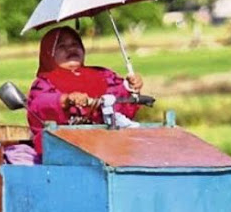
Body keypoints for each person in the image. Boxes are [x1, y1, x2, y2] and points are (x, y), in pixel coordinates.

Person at [27, 26, 144, 156]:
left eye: (75, 44)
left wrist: (130, 87)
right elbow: (38, 105)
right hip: (64, 148)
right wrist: (65, 100)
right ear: (49, 53)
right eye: (62, 46)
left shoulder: (104, 74)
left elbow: (120, 101)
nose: (71, 49)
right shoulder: (44, 82)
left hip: (108, 143)